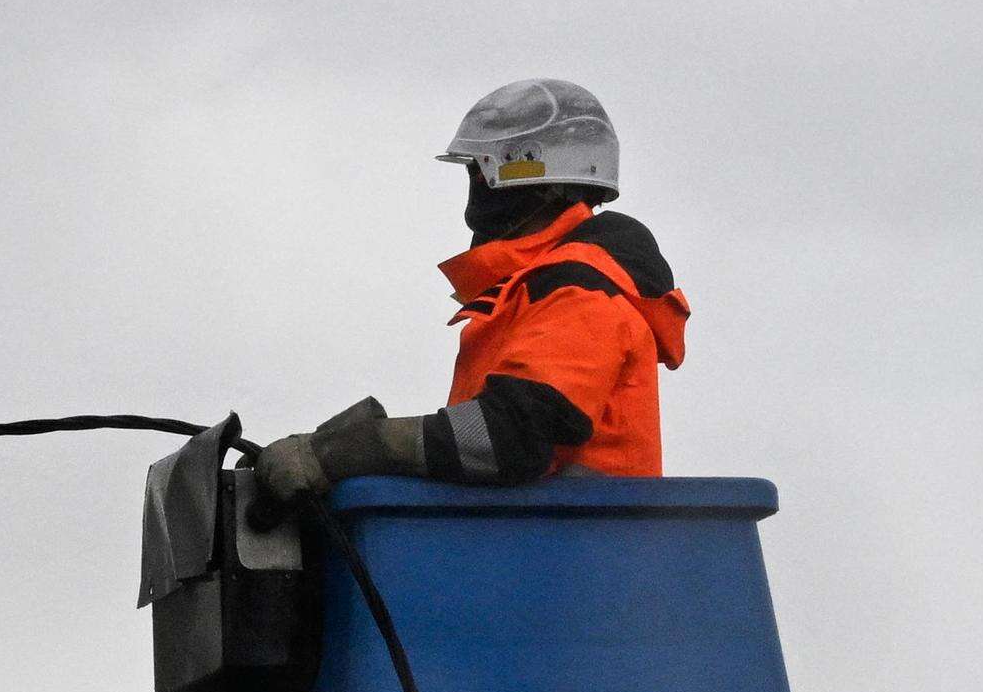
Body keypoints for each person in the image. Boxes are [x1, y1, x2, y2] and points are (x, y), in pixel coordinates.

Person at [254, 78, 690, 514]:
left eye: (486, 170)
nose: (477, 185)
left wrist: (355, 450)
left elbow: (510, 437)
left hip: (574, 560)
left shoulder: (581, 290)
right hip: (534, 549)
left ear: (547, 179)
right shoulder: (534, 289)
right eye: (472, 172)